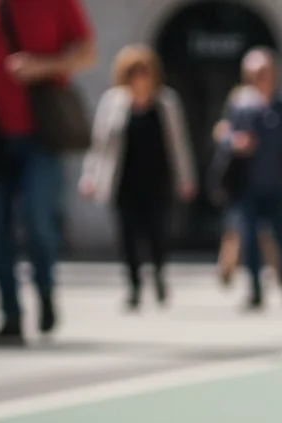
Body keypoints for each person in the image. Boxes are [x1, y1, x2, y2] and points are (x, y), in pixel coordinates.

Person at [0, 0, 96, 348]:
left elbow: (88, 53)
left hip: (40, 137)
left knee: (38, 219)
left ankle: (44, 291)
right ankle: (11, 316)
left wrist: (44, 66)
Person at [79, 45, 196, 311]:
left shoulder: (166, 102)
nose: (139, 78)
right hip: (124, 181)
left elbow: (179, 144)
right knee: (128, 235)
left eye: (144, 72)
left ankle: (159, 276)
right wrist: (90, 176)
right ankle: (133, 286)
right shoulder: (113, 102)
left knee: (157, 233)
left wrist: (186, 178)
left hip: (158, 181)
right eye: (134, 72)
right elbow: (99, 144)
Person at [220, 47, 282, 311]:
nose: (261, 78)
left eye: (264, 72)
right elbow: (225, 135)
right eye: (255, 73)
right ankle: (255, 290)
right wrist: (235, 143)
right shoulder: (240, 104)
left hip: (279, 182)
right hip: (248, 184)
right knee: (249, 237)